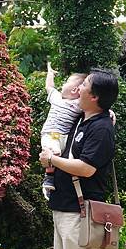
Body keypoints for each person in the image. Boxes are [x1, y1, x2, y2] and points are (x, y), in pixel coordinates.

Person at [39, 69, 119, 249]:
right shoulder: (80, 120)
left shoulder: (101, 128)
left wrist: (52, 159)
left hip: (83, 210)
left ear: (95, 96)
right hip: (63, 206)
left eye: (84, 85)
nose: (77, 89)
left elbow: (86, 168)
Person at [40, 62, 87, 198]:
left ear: (74, 90)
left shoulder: (79, 104)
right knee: (53, 152)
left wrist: (109, 112)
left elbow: (95, 106)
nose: (63, 85)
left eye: (67, 82)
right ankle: (48, 178)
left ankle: (56, 180)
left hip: (65, 136)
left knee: (62, 156)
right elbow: (49, 87)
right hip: (50, 134)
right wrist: (50, 73)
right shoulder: (57, 98)